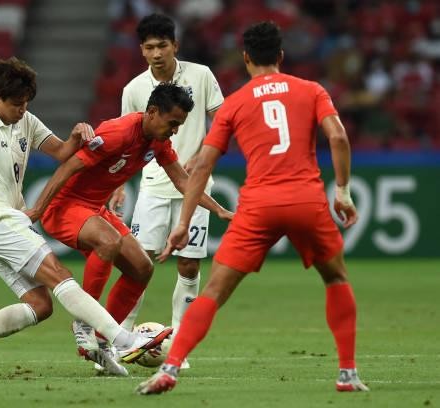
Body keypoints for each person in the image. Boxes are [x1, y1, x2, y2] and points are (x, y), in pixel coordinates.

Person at [137, 21, 369, 394]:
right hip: (306, 199)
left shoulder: (237, 103)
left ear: (245, 58)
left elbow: (201, 165)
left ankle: (170, 368)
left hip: (259, 204)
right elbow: (338, 135)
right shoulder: (311, 90)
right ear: (280, 55)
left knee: (212, 291)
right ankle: (347, 374)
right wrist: (342, 191)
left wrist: (183, 222)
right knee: (336, 278)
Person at [0, 57, 172, 378]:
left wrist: (77, 134)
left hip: (2, 223)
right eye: (16, 104)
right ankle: (123, 339)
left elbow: (60, 151)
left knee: (40, 306)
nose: (22, 109)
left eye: (26, 103)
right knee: (61, 276)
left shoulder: (25, 119)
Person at [27, 83, 233, 375]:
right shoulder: (118, 132)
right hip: (64, 207)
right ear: (152, 112)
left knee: (142, 267)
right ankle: (85, 322)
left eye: (179, 125)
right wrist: (38, 209)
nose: (175, 131)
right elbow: (67, 167)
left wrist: (219, 209)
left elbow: (183, 181)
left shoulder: (158, 141)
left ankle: (102, 341)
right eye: (172, 123)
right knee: (109, 242)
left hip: (94, 209)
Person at [85, 14, 225, 370]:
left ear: (175, 46)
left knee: (189, 264)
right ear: (141, 50)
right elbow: (123, 141)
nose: (156, 53)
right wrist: (117, 186)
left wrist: (200, 157)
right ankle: (119, 340)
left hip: (193, 187)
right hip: (152, 185)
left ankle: (179, 345)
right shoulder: (133, 90)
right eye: (149, 47)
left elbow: (223, 123)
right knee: (137, 263)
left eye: (162, 45)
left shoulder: (202, 75)